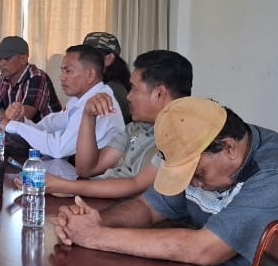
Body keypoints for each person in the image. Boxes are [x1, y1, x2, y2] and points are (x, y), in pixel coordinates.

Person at [53, 98, 278, 266]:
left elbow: (205, 249)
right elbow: (148, 207)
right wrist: (95, 220)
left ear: (229, 149)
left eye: (198, 174)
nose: (193, 184)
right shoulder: (205, 149)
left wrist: (96, 237)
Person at [15, 50, 191, 199]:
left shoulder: (181, 136)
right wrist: (88, 116)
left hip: (128, 211)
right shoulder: (136, 128)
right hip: (102, 199)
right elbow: (87, 169)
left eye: (134, 88)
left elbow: (135, 185)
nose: (128, 96)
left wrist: (62, 185)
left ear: (159, 94)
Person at [2, 44, 125, 178]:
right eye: (62, 71)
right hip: (72, 171)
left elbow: (58, 149)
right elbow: (48, 126)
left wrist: (14, 126)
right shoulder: (79, 100)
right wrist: (22, 121)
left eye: (68, 71)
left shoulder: (99, 103)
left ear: (90, 75)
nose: (62, 77)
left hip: (94, 182)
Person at [83, 32, 133, 123]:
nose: (83, 62)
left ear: (108, 59)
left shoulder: (109, 91)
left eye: (89, 57)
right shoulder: (105, 85)